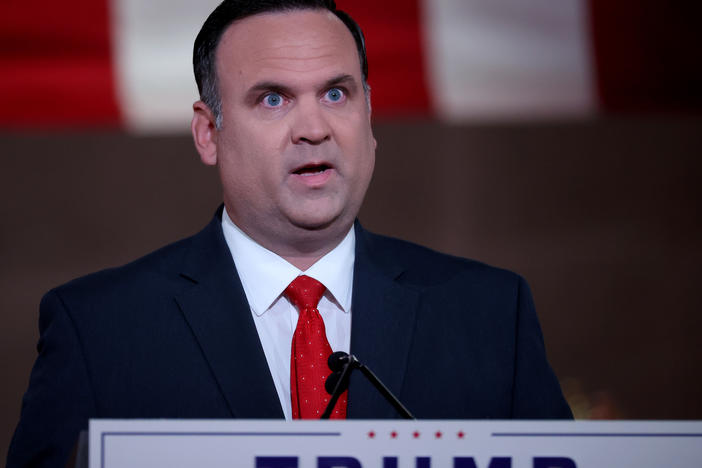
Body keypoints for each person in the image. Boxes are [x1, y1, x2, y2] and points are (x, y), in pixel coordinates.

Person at [7, 0, 572, 466]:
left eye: (336, 94)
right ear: (209, 133)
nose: (313, 129)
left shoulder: (491, 313)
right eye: (273, 99)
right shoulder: (99, 329)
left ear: (368, 117)